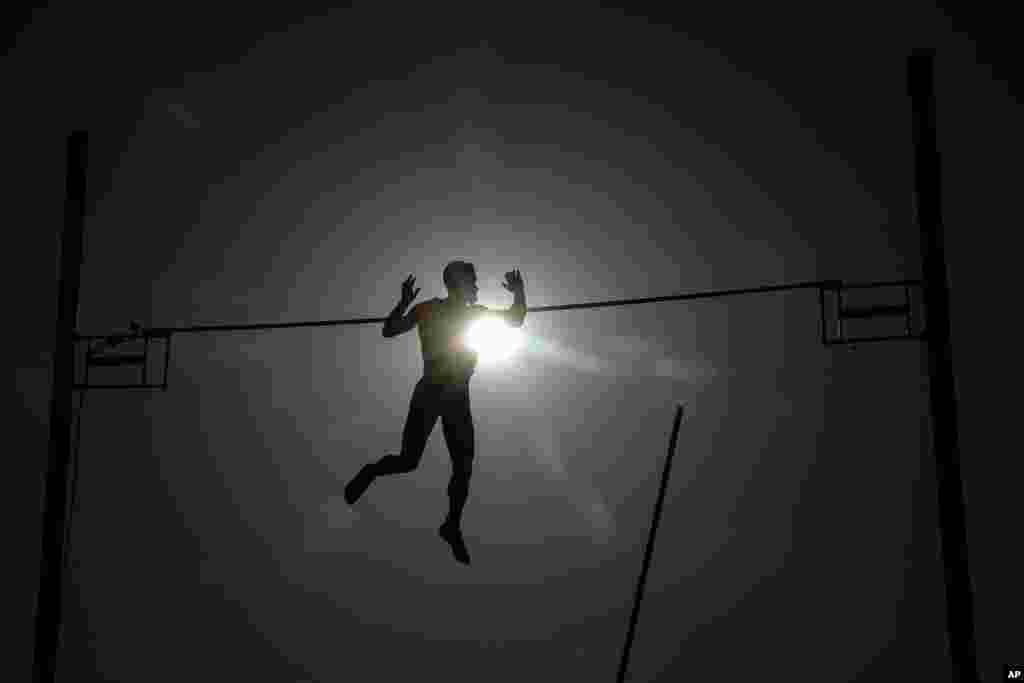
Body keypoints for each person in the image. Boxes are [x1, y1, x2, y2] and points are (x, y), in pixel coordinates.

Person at [344, 261, 527, 565]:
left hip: (457, 396)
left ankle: (451, 524)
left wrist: (519, 293)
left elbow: (516, 319)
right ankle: (371, 472)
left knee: (464, 465)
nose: (478, 287)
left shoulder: (476, 313)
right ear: (457, 281)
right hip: (431, 390)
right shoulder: (429, 309)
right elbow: (389, 330)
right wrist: (403, 303)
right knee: (408, 461)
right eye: (473, 281)